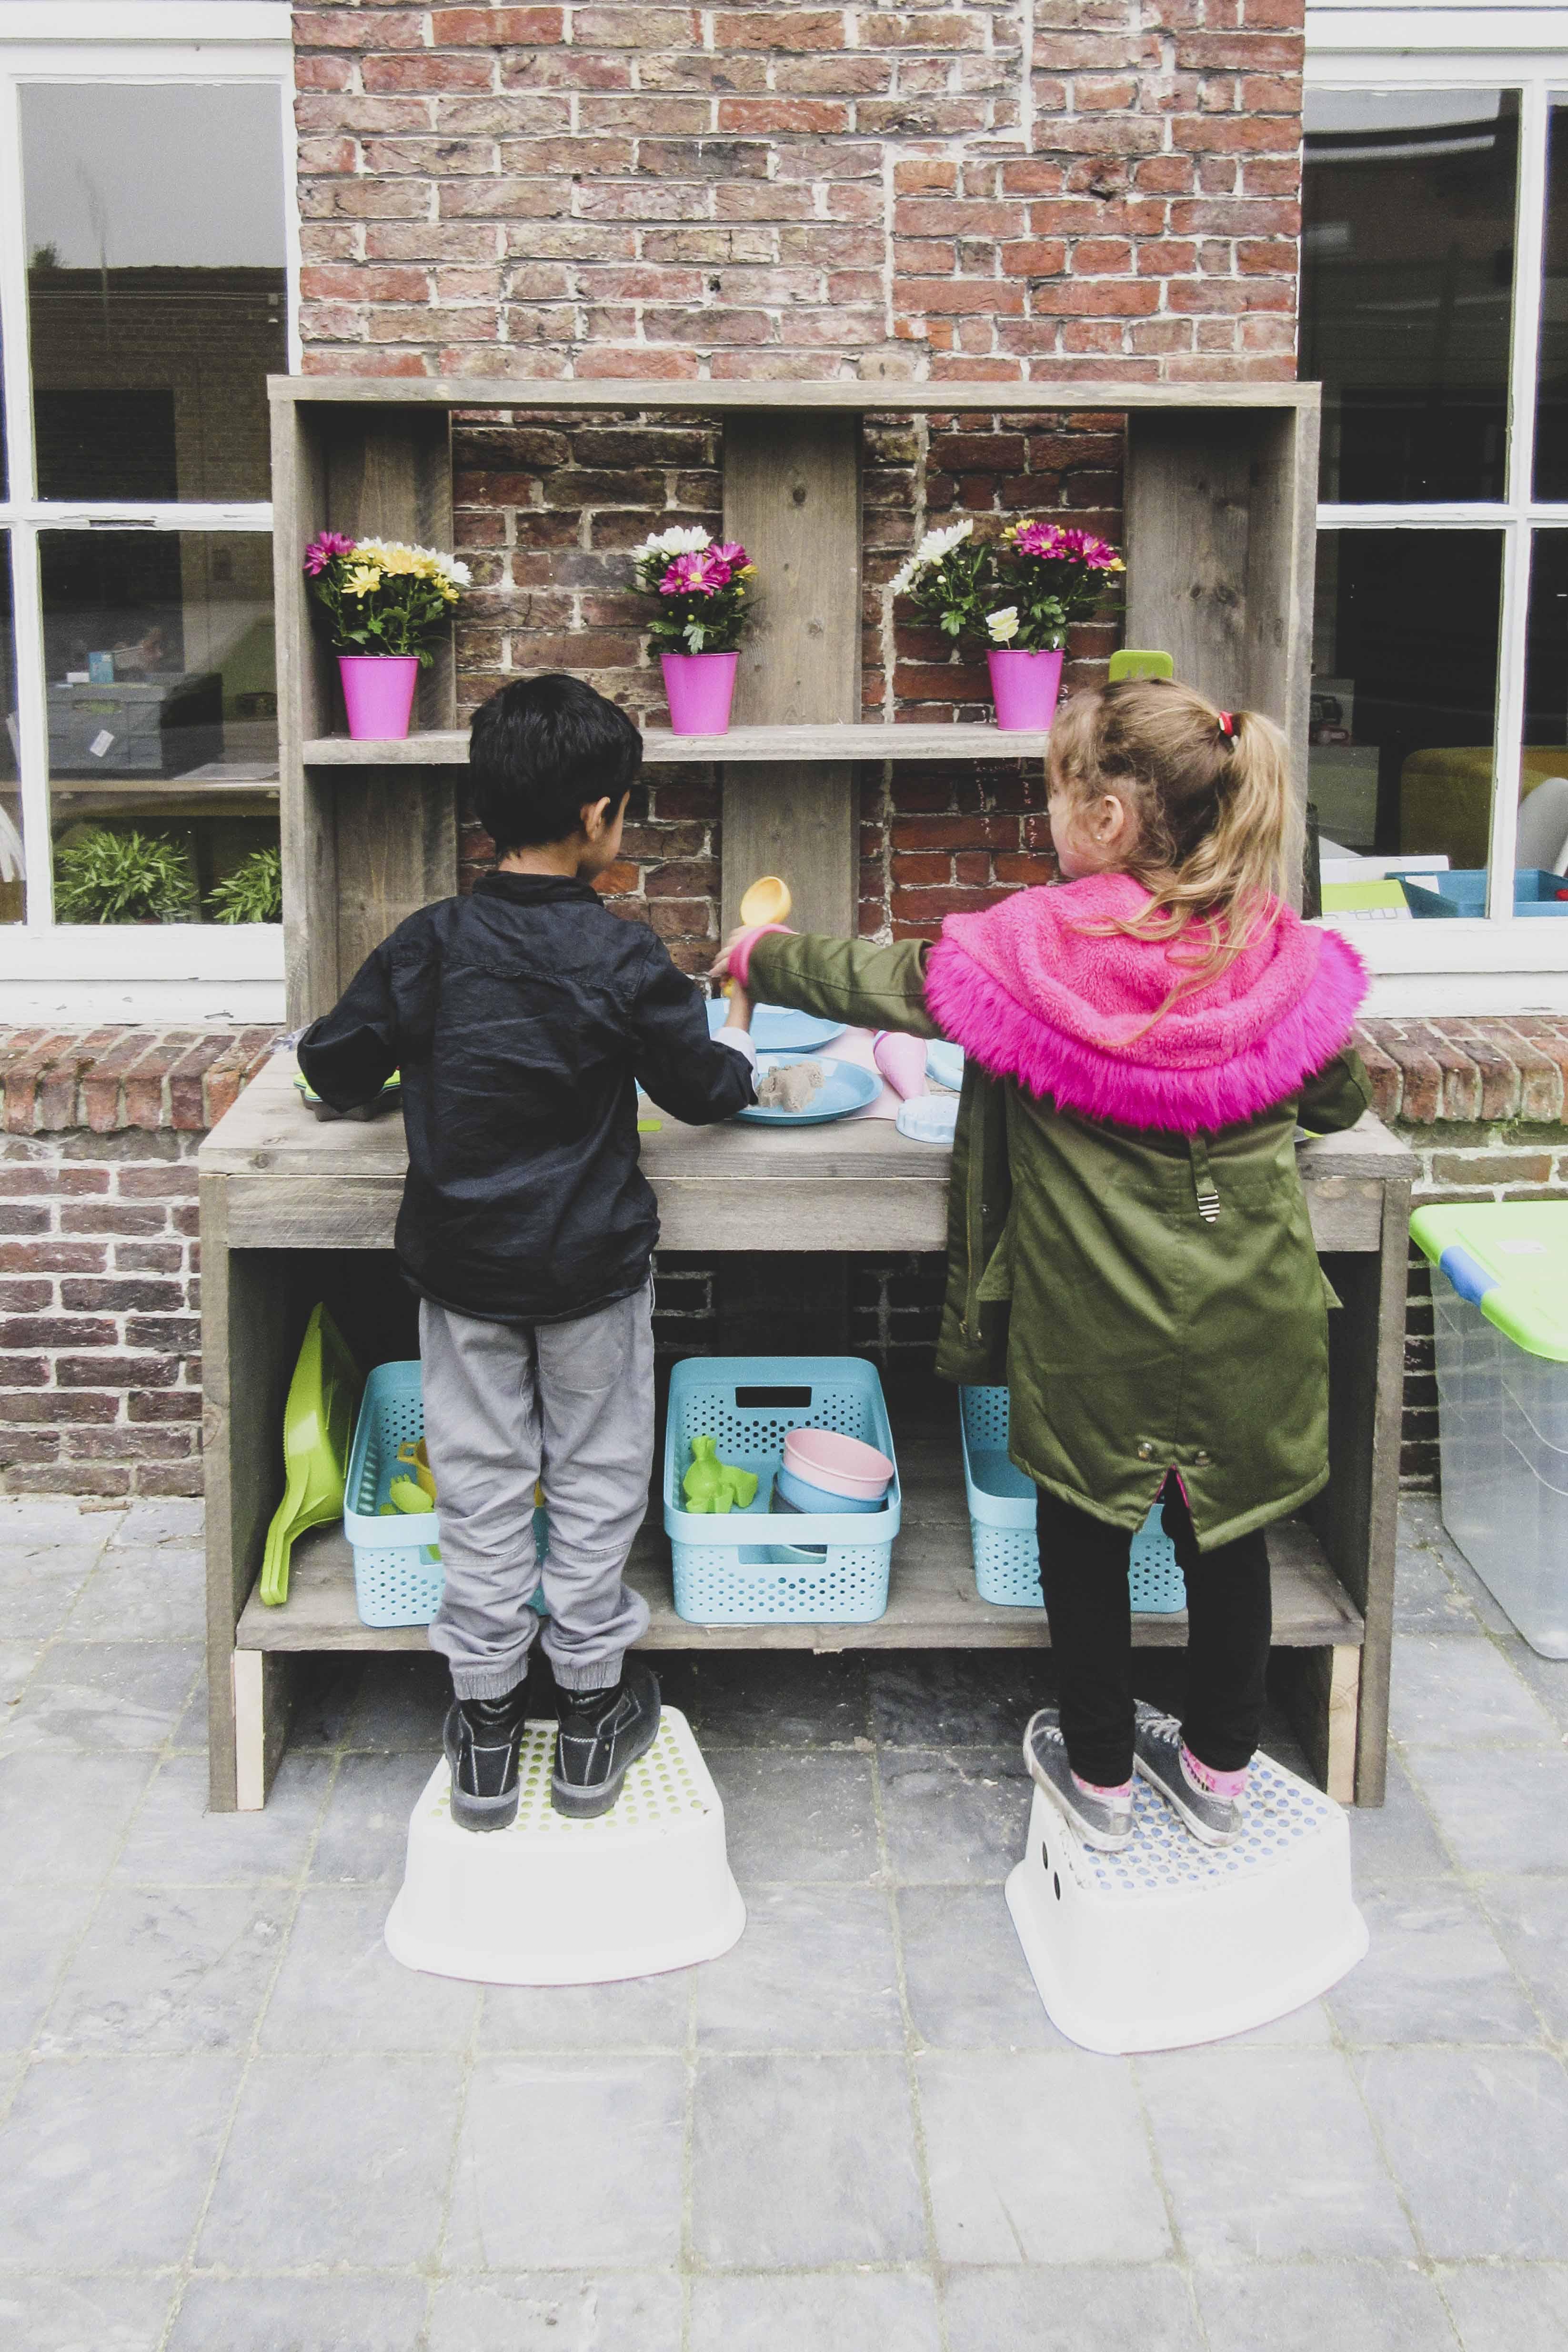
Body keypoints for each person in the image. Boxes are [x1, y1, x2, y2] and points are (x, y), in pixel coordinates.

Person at [712, 676, 1371, 1853]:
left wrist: (761, 954)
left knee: (1083, 1535)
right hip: (1252, 1309)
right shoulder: (1273, 948)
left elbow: (885, 983)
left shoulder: (1033, 949)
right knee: (1226, 1536)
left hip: (1092, 1320)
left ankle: (1103, 1784)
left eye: (1056, 792)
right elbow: (1332, 1088)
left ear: (1107, 820)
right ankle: (1222, 1772)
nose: (1047, 814)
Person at [299, 674, 756, 1829]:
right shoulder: (621, 956)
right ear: (601, 814)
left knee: (480, 1480)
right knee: (599, 1476)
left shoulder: (427, 945)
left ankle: (488, 1721)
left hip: (462, 1273)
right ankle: (594, 1706)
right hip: (591, 1269)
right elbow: (703, 1093)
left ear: (486, 809)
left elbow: (332, 1065)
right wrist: (740, 1033)